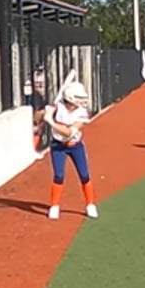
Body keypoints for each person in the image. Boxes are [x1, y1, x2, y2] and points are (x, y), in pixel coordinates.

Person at [43, 80, 99, 221]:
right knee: (59, 176)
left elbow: (68, 133)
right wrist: (45, 113)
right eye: (78, 98)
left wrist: (51, 122)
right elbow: (37, 118)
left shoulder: (82, 112)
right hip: (58, 146)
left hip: (75, 146)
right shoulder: (58, 107)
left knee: (84, 175)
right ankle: (54, 206)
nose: (81, 101)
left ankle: (90, 204)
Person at [25, 70, 49, 152]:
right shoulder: (31, 98)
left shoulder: (45, 96)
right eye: (37, 83)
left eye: (42, 83)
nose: (40, 85)